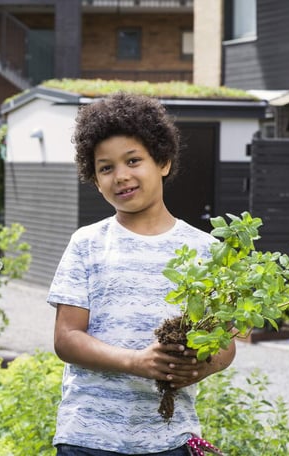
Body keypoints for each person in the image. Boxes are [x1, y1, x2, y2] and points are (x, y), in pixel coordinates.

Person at [48, 93, 236, 456]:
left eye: (133, 160)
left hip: (169, 438)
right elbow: (66, 338)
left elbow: (225, 346)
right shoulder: (87, 243)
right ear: (95, 178)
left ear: (163, 161)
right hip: (88, 437)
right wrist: (137, 362)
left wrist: (200, 368)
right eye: (106, 168)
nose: (121, 176)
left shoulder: (207, 252)